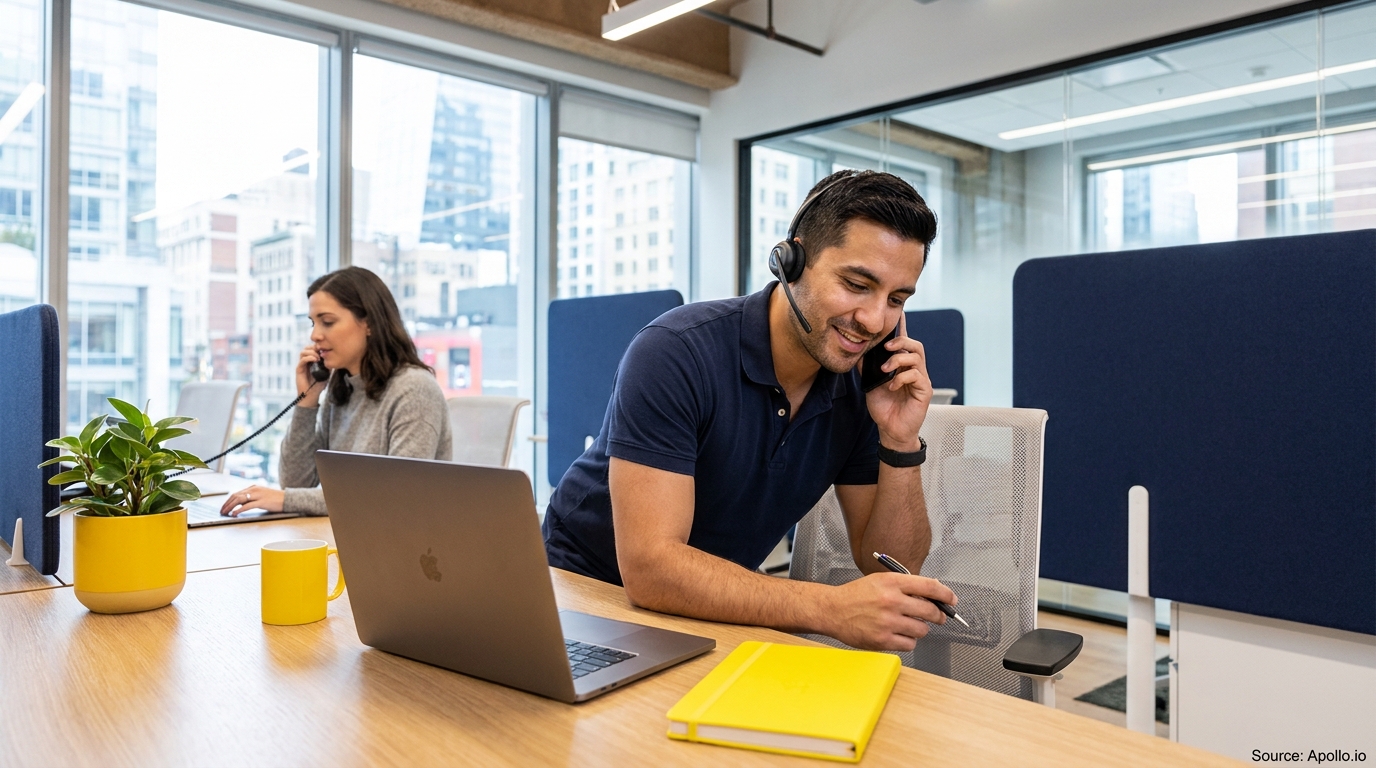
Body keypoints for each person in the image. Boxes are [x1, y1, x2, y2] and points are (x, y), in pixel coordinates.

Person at [543, 170, 956, 652]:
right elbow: (652, 569)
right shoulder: (676, 351)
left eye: (896, 300)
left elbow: (889, 564)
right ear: (792, 260)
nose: (873, 320)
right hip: (588, 594)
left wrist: (900, 441)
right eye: (856, 284)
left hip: (718, 608)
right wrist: (827, 608)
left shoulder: (862, 385)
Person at [221, 267, 452, 517]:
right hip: (353, 535)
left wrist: (286, 500)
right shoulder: (341, 388)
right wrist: (307, 403)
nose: (315, 335)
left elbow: (397, 495)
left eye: (327, 322)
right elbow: (296, 483)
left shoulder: (414, 389)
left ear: (370, 324)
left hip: (405, 546)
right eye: (313, 323)